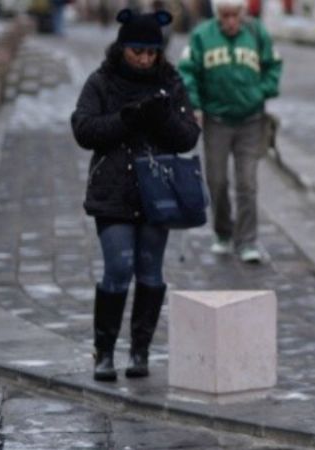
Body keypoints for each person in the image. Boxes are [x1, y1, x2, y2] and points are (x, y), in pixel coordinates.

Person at [71, 8, 201, 382]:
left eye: (151, 53)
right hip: (113, 190)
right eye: (137, 52)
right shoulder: (102, 81)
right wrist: (126, 118)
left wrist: (161, 118)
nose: (145, 59)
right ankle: (104, 352)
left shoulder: (170, 81)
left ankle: (140, 350)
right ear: (123, 47)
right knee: (117, 268)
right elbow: (83, 129)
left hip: (157, 192)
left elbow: (189, 136)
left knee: (150, 271)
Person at [178, 0, 282, 263]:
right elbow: (188, 72)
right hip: (216, 120)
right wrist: (196, 105)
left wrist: (262, 91)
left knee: (247, 182)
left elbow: (274, 65)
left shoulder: (257, 33)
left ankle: (247, 240)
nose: (231, 21)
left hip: (251, 119)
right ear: (217, 15)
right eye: (225, 15)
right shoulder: (202, 36)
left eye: (235, 15)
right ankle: (223, 232)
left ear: (243, 14)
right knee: (217, 180)